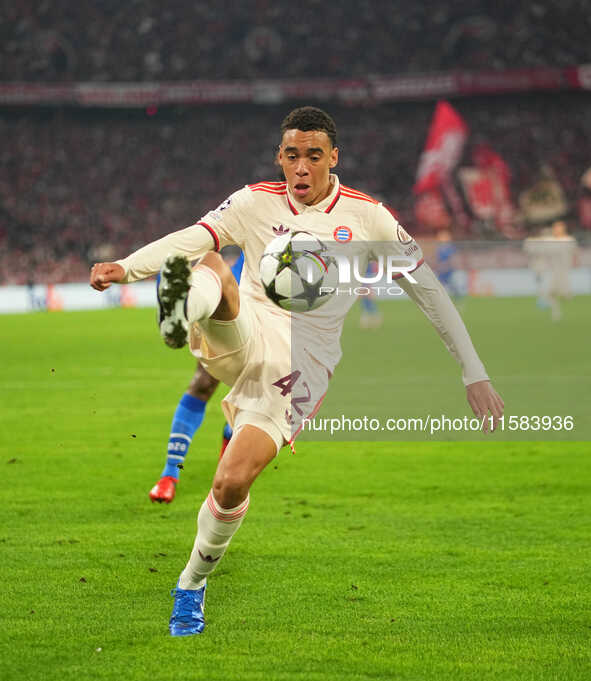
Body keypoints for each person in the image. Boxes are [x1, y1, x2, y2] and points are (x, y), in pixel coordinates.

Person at [90, 106, 504, 637]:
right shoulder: (253, 202)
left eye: (313, 156)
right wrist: (126, 267)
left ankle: (191, 583)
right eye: (292, 155)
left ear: (334, 158)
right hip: (249, 327)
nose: (302, 167)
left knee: (231, 481)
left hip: (303, 361)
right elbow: (192, 236)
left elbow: (429, 293)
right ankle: (181, 312)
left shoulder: (368, 217)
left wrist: (473, 370)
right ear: (279, 158)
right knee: (212, 263)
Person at [149, 250, 244, 503]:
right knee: (203, 384)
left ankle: (229, 440)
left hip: (267, 319)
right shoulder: (251, 220)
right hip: (227, 305)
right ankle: (169, 476)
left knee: (254, 399)